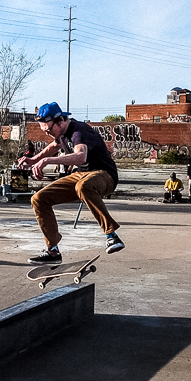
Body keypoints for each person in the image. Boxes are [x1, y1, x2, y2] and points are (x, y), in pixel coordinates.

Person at [17, 102, 124, 264]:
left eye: (49, 130)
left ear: (60, 121)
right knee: (39, 199)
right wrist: (33, 160)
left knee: (83, 186)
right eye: (45, 131)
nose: (48, 134)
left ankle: (112, 236)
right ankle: (53, 251)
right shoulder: (61, 134)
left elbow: (81, 156)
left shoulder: (79, 131)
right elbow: (53, 147)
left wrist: (47, 161)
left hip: (104, 175)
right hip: (82, 175)